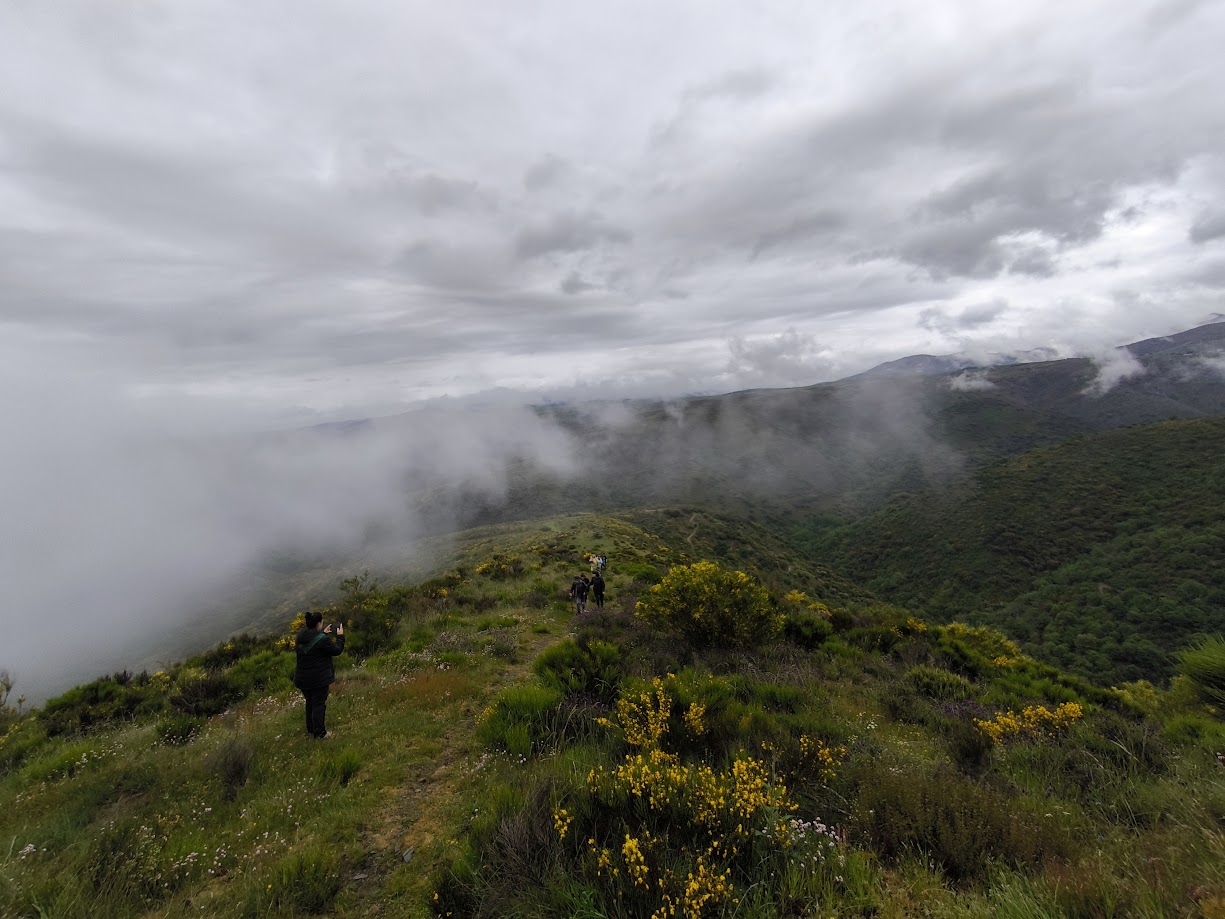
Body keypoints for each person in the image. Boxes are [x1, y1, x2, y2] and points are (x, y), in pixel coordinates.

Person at [293, 611, 345, 739]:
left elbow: (313, 642)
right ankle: (320, 734)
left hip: (302, 679)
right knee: (318, 705)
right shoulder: (322, 640)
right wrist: (340, 637)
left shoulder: (300, 636)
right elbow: (337, 650)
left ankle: (311, 731)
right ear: (319, 624)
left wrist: (322, 633)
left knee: (310, 703)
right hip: (318, 679)